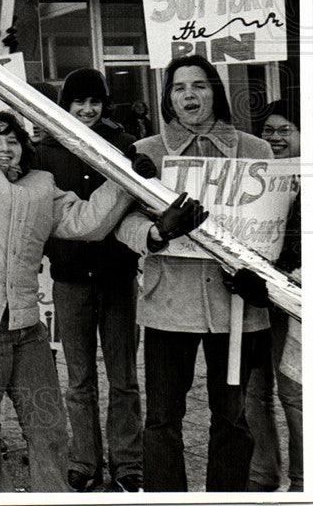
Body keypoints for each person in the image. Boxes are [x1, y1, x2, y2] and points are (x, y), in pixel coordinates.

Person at [0, 14, 171, 493]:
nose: (4, 146)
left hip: (25, 329)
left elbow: (90, 220)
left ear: (26, 148)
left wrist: (128, 178)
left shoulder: (43, 186)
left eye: (12, 139)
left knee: (48, 430)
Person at [115, 54, 273, 492]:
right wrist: (155, 231)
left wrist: (262, 271)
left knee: (233, 416)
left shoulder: (255, 150)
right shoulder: (146, 153)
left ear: (215, 92)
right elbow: (121, 223)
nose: (190, 94)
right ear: (167, 97)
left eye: (200, 86)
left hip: (236, 308)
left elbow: (274, 223)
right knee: (163, 417)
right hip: (169, 305)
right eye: (180, 87)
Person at [33, 69, 144, 493]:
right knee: (78, 379)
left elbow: (140, 204)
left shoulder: (122, 145)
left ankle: (127, 462)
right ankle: (84, 459)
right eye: (79, 102)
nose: (87, 109)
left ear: (105, 103)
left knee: (123, 377)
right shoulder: (46, 151)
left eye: (95, 101)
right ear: (66, 105)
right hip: (71, 281)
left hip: (118, 277)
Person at [246, 100, 302, 492]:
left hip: (294, 300)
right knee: (254, 391)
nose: (276, 138)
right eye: (268, 131)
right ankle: (263, 475)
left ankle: (303, 480)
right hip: (253, 295)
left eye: (286, 131)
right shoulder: (251, 174)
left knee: (294, 393)